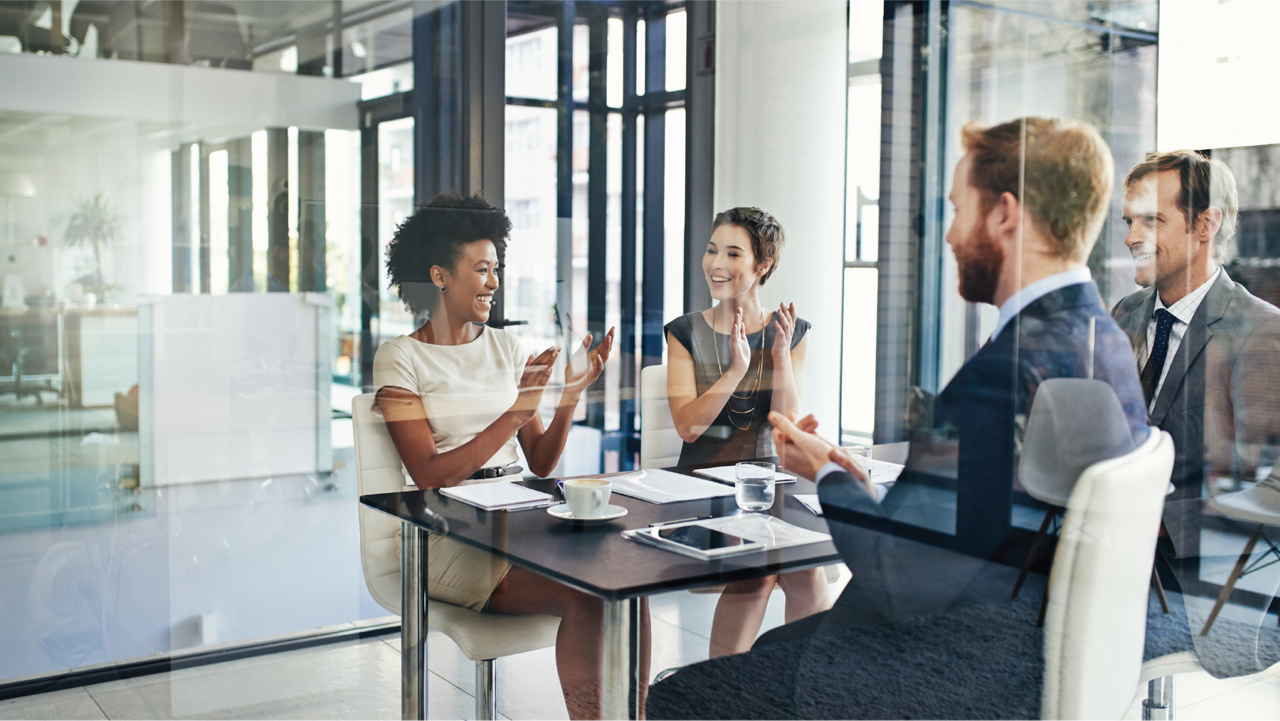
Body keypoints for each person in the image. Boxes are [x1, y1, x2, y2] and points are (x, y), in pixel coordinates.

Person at [646, 117, 1150, 719]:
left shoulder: (1005, 372)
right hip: (1022, 648)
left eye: (957, 210)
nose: (950, 235)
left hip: (947, 667)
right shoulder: (1104, 338)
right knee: (768, 651)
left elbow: (896, 574)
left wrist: (828, 476)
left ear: (1005, 215)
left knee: (681, 696)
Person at [374, 192, 646, 719]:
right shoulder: (401, 356)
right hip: (449, 530)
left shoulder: (506, 347)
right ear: (439, 276)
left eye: (496, 268)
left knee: (628, 581)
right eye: (482, 269)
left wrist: (568, 394)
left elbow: (540, 462)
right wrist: (519, 411)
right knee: (585, 595)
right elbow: (429, 473)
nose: (494, 283)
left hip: (519, 516)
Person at [1112, 150, 1280, 673]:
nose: (1131, 238)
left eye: (1152, 220)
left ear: (1206, 224)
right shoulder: (1128, 313)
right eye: (1129, 221)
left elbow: (1269, 486)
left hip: (1194, 579)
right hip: (1110, 557)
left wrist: (1155, 520)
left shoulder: (1261, 331)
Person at [664, 207, 830, 657]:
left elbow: (785, 429)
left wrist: (778, 357)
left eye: (732, 253)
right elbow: (689, 426)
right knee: (761, 568)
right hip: (702, 493)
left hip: (768, 488)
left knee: (808, 568)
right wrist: (737, 369)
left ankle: (803, 690)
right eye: (712, 250)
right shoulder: (684, 332)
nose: (716, 264)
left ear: (762, 266)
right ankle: (722, 693)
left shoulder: (790, 332)